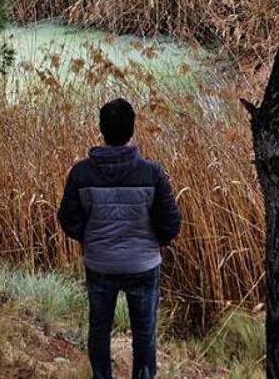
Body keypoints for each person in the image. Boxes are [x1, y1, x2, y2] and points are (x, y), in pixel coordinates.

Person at [57, 97, 182, 379]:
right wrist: (149, 242)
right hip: (143, 266)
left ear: (101, 129)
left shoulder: (82, 173)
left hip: (100, 264)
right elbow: (171, 223)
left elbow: (68, 219)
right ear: (132, 129)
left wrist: (91, 239)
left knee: (99, 329)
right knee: (145, 333)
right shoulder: (152, 173)